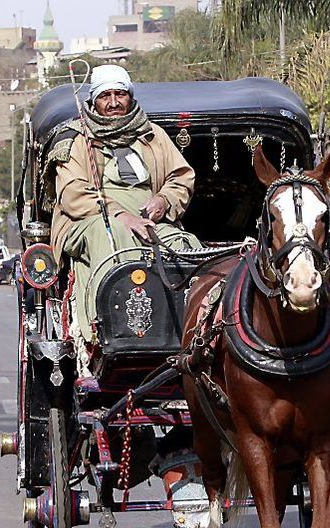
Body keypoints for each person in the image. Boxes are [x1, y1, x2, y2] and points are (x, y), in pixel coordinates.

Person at [49, 64, 201, 341]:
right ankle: (111, 327)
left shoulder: (152, 135)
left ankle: (186, 329)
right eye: (106, 96)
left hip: (148, 222)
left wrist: (164, 200)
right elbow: (73, 193)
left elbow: (181, 177)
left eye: (120, 94)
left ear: (130, 97)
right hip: (89, 221)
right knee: (114, 235)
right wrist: (120, 215)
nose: (114, 102)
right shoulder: (76, 138)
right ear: (94, 101)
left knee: (184, 245)